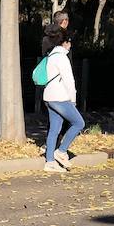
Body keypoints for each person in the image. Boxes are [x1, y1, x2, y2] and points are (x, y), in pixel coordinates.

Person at [41, 26, 84, 173]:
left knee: (54, 129)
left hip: (48, 97)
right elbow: (69, 81)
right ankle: (61, 151)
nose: (70, 45)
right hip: (61, 98)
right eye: (69, 42)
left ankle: (50, 162)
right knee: (79, 123)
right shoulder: (62, 57)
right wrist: (73, 100)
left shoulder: (51, 56)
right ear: (64, 43)